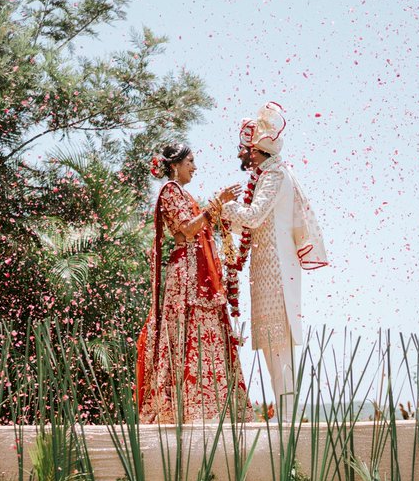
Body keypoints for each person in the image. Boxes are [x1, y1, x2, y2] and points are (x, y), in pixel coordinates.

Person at [221, 103, 328, 405]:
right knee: (271, 345)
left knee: (279, 345)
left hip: (277, 273)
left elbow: (253, 216)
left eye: (244, 149)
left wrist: (223, 207)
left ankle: (288, 418)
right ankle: (285, 415)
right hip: (266, 272)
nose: (241, 154)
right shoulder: (268, 174)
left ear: (256, 150)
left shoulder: (275, 175)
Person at [135, 145, 250, 423]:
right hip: (185, 275)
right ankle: (183, 409)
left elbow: (203, 225)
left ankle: (214, 405)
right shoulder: (170, 192)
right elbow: (188, 228)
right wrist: (216, 203)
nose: (195, 167)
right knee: (187, 333)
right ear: (175, 165)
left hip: (199, 274)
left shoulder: (185, 194)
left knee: (207, 331)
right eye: (190, 161)